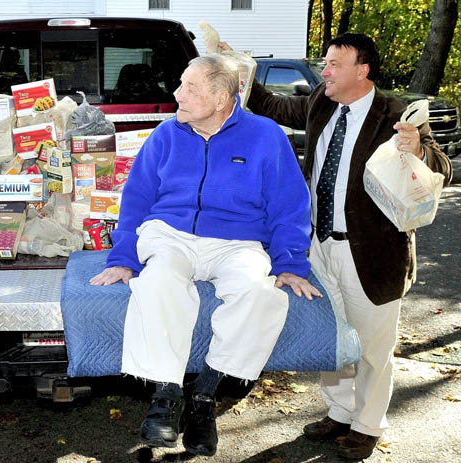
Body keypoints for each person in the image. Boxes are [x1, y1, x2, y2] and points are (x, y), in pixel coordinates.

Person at [90, 54, 320, 457]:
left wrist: (290, 263)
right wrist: (122, 257)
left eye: (190, 87)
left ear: (220, 97)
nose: (177, 93)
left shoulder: (266, 136)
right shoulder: (165, 135)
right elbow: (137, 199)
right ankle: (165, 398)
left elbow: (290, 206)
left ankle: (205, 397)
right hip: (171, 234)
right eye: (180, 84)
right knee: (158, 282)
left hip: (239, 242)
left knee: (261, 294)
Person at [243, 33, 452, 460]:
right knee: (333, 338)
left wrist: (417, 151)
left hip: (373, 252)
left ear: (363, 69)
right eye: (325, 63)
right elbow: (274, 107)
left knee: (373, 347)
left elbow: (440, 166)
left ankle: (368, 425)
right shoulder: (322, 100)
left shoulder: (396, 113)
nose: (325, 72)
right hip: (319, 245)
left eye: (334, 64)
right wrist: (241, 70)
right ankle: (339, 412)